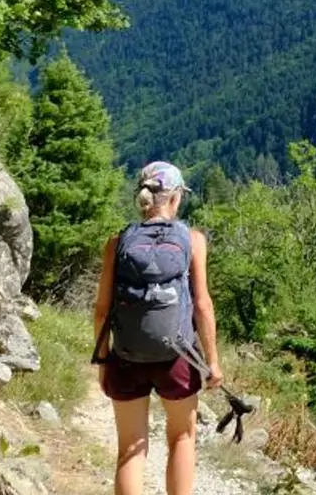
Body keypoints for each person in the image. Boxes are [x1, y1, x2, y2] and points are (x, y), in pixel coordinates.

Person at [92, 162, 224, 495]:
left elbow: (102, 309)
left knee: (130, 448)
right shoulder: (192, 240)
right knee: (182, 436)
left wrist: (104, 359)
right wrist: (212, 362)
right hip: (177, 355)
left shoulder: (117, 242)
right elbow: (203, 306)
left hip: (126, 355)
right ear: (176, 198)